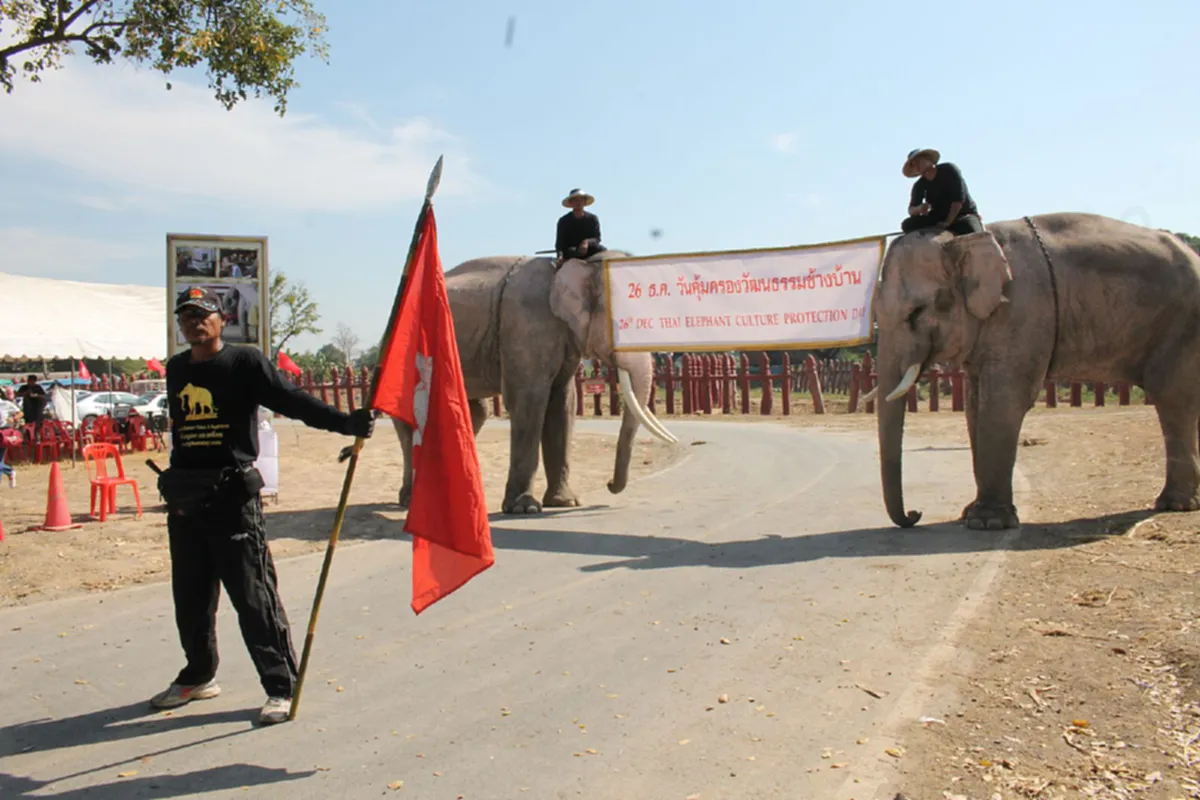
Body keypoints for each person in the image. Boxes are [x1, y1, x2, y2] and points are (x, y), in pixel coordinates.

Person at [151, 286, 375, 725]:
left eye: (203, 314)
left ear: (221, 320)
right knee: (191, 599)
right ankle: (198, 675)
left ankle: (280, 685)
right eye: (187, 316)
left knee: (253, 598)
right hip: (185, 503)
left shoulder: (243, 361)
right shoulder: (176, 369)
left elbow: (291, 400)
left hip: (232, 501)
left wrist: (345, 422)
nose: (194, 322)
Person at [900, 148, 984, 236]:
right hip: (937, 218)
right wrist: (920, 208)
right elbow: (911, 209)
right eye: (913, 164)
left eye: (918, 161)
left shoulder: (949, 170)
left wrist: (947, 222)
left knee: (972, 232)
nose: (916, 165)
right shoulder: (919, 185)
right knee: (907, 224)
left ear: (928, 159)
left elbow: (958, 201)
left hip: (961, 215)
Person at [555, 188, 607, 263]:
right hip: (572, 251)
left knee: (603, 250)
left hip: (589, 249)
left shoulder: (592, 219)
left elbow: (597, 238)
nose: (578, 203)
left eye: (581, 200)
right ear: (571, 203)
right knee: (571, 251)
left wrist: (587, 242)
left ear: (585, 202)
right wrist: (560, 255)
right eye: (575, 200)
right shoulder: (564, 221)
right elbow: (560, 243)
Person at [14, 375, 47, 442]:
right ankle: (29, 438)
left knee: (37, 424)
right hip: (27, 408)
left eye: (32, 381)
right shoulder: (24, 387)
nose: (30, 382)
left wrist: (36, 395)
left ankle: (36, 437)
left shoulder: (38, 387)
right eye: (29, 380)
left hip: (37, 408)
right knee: (27, 423)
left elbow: (44, 396)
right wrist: (26, 393)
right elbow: (17, 394)